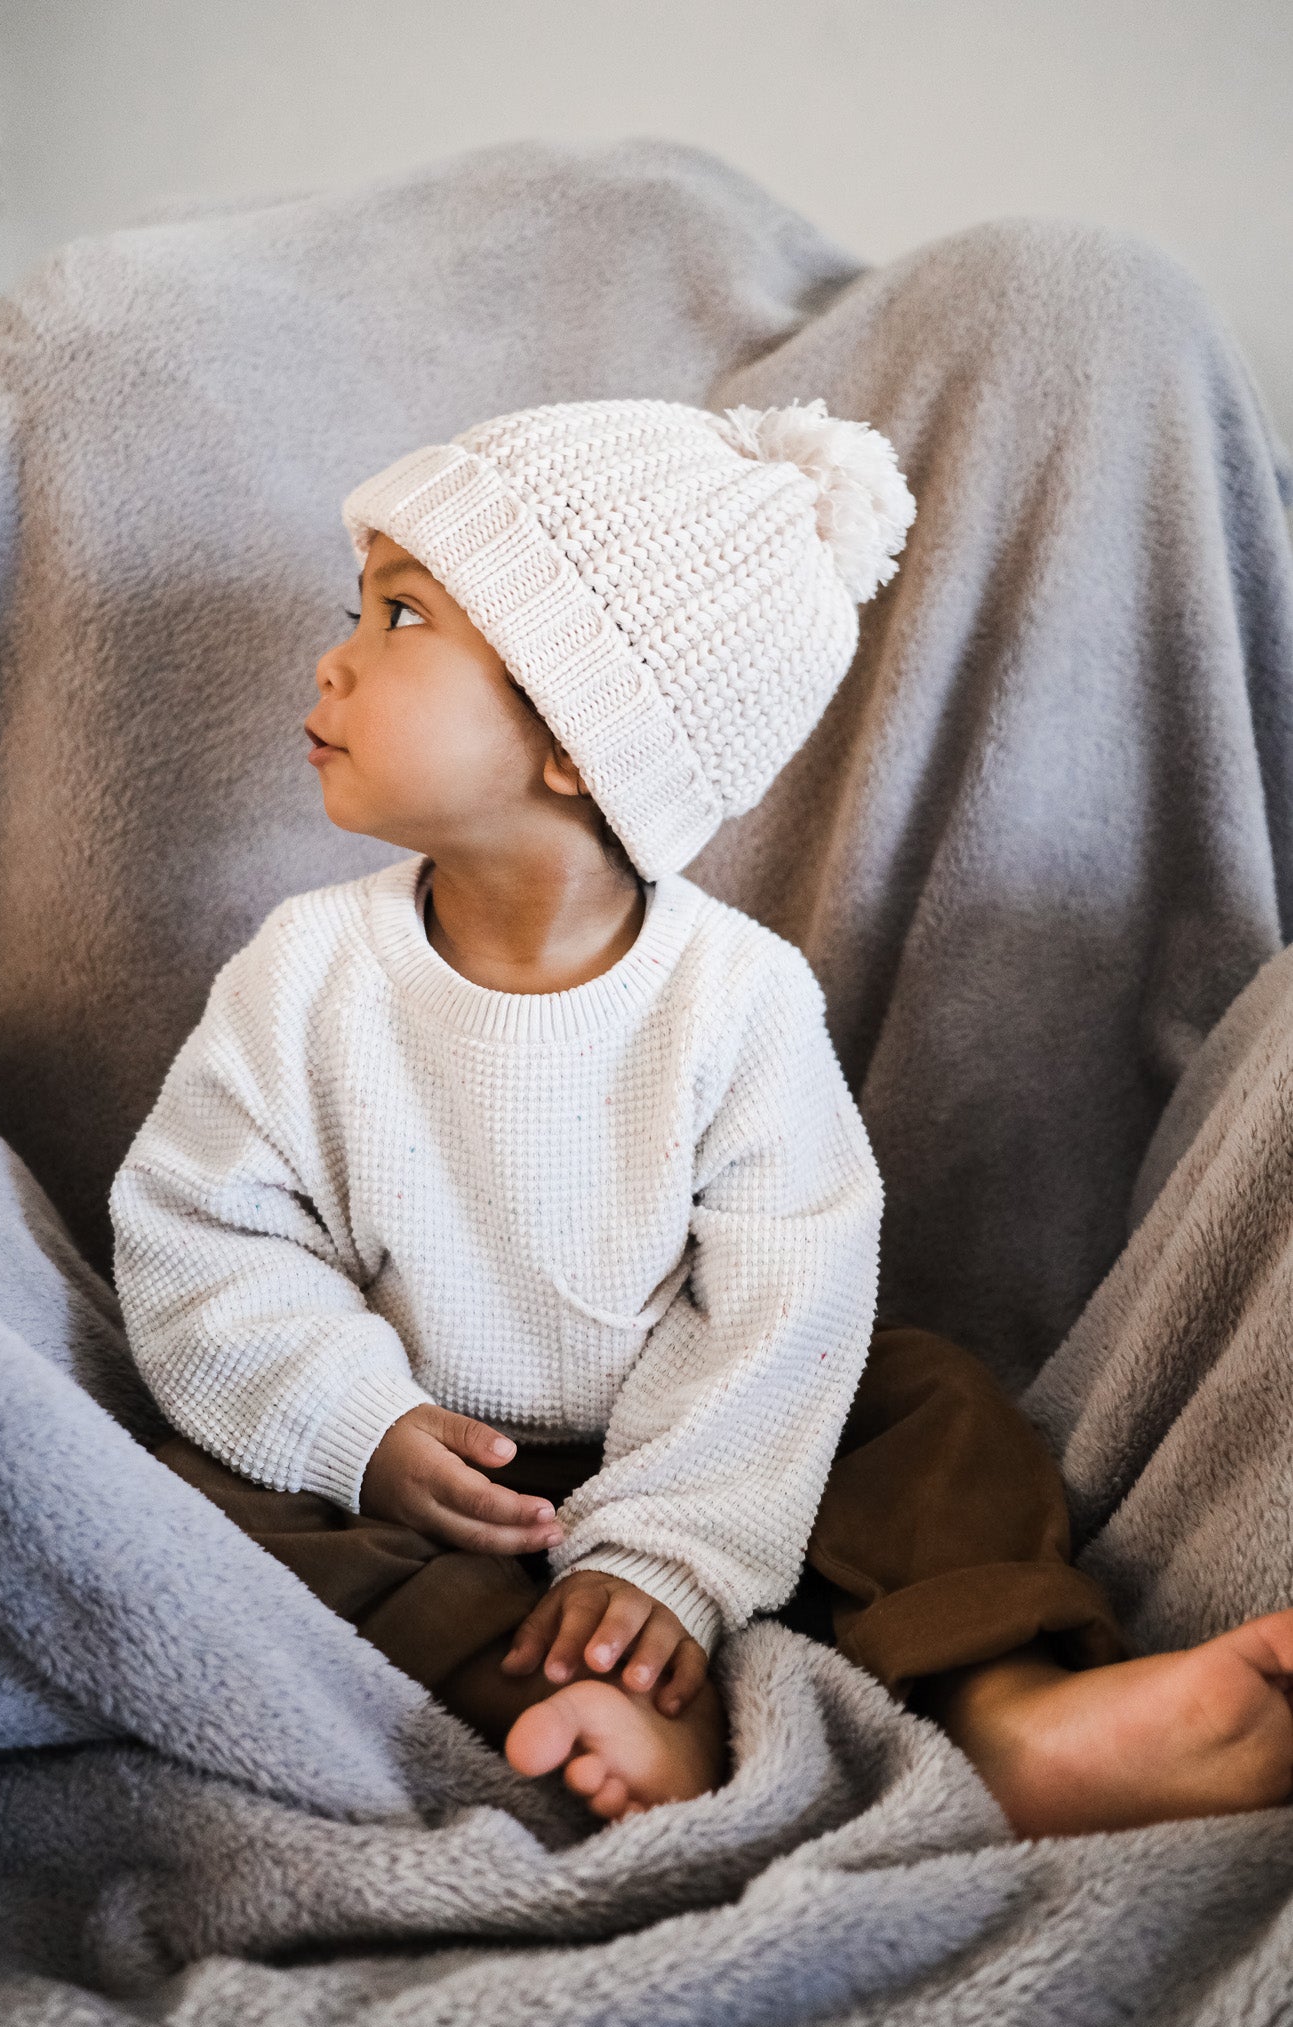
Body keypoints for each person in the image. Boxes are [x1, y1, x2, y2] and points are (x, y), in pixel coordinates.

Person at [110, 397, 1293, 1832]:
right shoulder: (306, 970)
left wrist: (666, 1552)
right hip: (427, 1453)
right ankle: (547, 1690)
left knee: (926, 1408)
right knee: (195, 1489)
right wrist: (354, 1420)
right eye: (355, 611)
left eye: (400, 618)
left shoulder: (734, 998)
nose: (333, 659)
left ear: (577, 741)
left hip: (712, 1438)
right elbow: (202, 1229)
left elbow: (780, 1299)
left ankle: (1011, 1709)